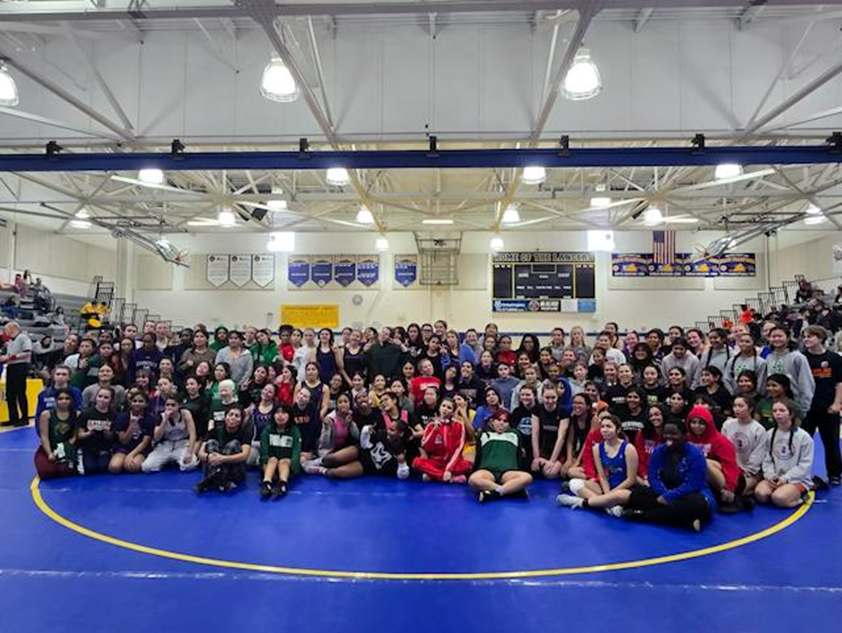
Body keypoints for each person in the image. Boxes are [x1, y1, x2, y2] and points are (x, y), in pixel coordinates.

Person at [623, 419, 715, 531]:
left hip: (693, 494)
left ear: (684, 436)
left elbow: (693, 484)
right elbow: (653, 477)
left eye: (674, 434)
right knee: (638, 494)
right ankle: (686, 521)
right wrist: (664, 494)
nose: (669, 437)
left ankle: (642, 515)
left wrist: (669, 497)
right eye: (666, 433)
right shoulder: (659, 451)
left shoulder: (695, 454)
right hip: (666, 490)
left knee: (697, 505)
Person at [557, 414, 639, 517]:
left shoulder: (629, 449)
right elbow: (602, 476)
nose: (604, 430)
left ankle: (579, 502)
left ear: (618, 430)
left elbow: (631, 479)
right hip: (606, 487)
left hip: (624, 490)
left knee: (618, 496)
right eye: (602, 427)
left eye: (609, 427)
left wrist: (611, 494)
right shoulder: (597, 448)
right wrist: (608, 494)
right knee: (574, 483)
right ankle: (608, 506)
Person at [801, 325, 842, 486]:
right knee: (803, 442)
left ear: (820, 338)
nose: (806, 339)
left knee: (831, 442)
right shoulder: (801, 358)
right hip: (807, 408)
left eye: (810, 336)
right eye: (804, 336)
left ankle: (834, 473)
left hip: (827, 407)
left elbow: (840, 383)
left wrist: (837, 403)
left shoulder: (834, 359)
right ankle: (801, 474)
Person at [755, 399, 815, 508]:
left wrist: (785, 478)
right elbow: (766, 459)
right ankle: (781, 490)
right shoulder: (769, 434)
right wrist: (770, 475)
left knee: (779, 499)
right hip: (776, 477)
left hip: (796, 479)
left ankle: (802, 496)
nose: (778, 413)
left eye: (782, 410)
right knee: (761, 495)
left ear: (791, 414)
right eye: (775, 411)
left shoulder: (803, 437)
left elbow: (804, 465)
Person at [469, 409, 533, 502]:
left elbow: (518, 456)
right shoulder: (484, 434)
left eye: (505, 421)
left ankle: (495, 493)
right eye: (499, 420)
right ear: (492, 421)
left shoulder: (515, 435)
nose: (501, 423)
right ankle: (512, 491)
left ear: (509, 424)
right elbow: (478, 455)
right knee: (473, 479)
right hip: (487, 472)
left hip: (508, 473)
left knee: (527, 478)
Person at [685, 405, 742, 508]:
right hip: (701, 479)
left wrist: (730, 488)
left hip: (726, 479)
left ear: (708, 424)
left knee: (702, 461)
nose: (697, 426)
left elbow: (730, 465)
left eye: (701, 423)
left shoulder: (721, 441)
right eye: (693, 422)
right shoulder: (687, 439)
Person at [412, 398, 473, 483]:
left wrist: (449, 468)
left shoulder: (459, 426)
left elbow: (459, 449)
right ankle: (448, 478)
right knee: (416, 462)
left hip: (453, 462)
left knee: (468, 465)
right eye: (443, 406)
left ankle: (433, 475)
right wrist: (434, 431)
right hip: (436, 462)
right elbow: (426, 447)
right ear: (439, 408)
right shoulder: (431, 425)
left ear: (452, 411)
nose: (445, 409)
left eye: (449, 408)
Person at [196, 405, 252, 493]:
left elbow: (245, 455)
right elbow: (200, 453)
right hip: (214, 464)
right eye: (231, 414)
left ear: (241, 420)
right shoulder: (214, 431)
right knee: (211, 443)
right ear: (225, 417)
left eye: (237, 416)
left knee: (233, 444)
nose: (233, 418)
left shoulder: (244, 433)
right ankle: (221, 479)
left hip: (234, 469)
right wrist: (209, 456)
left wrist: (222, 459)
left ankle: (213, 480)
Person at [722, 395, 766, 497]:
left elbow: (758, 456)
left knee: (737, 489)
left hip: (749, 473)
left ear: (750, 409)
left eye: (741, 406)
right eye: (735, 406)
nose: (737, 409)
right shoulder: (727, 425)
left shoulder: (758, 430)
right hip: (730, 468)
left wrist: (746, 471)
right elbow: (723, 449)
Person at [142, 395, 199, 473]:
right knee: (146, 467)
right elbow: (156, 437)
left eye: (173, 405)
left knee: (190, 465)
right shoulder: (160, 416)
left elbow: (193, 434)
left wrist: (190, 452)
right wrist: (165, 420)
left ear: (179, 406)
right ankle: (167, 460)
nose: (170, 407)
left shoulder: (185, 413)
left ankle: (175, 460)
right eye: (167, 405)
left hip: (182, 444)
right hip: (166, 444)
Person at [764, 326, 815, 414]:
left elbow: (806, 382)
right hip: (774, 405)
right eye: (773, 336)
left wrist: (804, 407)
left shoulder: (798, 357)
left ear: (787, 338)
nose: (776, 339)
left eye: (780, 336)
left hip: (794, 404)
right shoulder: (769, 358)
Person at [34, 389, 78, 479]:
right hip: (49, 447)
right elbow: (44, 436)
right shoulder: (46, 415)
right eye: (60, 398)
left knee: (65, 471)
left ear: (72, 400)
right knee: (46, 472)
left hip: (67, 447)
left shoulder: (77, 414)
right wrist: (49, 453)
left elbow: (75, 437)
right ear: (55, 400)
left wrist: (65, 448)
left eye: (67, 398)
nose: (64, 401)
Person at [259, 405, 301, 499]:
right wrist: (264, 465)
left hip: (287, 465)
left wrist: (294, 468)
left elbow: (296, 451)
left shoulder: (294, 431)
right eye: (277, 413)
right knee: (272, 459)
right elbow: (264, 451)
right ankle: (267, 483)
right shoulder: (268, 430)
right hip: (270, 465)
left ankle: (283, 484)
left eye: (283, 413)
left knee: (283, 461)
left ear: (289, 416)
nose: (280, 416)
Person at [109, 391, 153, 474]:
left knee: (133, 467)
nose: (137, 404)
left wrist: (131, 455)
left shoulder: (150, 419)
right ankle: (121, 460)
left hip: (140, 449)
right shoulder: (122, 417)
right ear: (130, 403)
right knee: (114, 467)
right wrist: (132, 425)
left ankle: (130, 461)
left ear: (146, 404)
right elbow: (123, 441)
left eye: (141, 401)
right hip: (124, 447)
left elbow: (145, 442)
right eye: (135, 401)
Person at [75, 387, 117, 475]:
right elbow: (79, 435)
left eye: (106, 397)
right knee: (90, 468)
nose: (102, 399)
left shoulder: (114, 415)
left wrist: (107, 433)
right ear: (96, 397)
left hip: (104, 448)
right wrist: (88, 433)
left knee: (103, 467)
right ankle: (81, 456)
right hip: (89, 448)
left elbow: (113, 437)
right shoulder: (86, 414)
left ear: (111, 400)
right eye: (100, 396)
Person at [530, 388, 569, 479]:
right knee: (535, 469)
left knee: (550, 473)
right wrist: (536, 457)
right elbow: (535, 434)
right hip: (543, 447)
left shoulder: (563, 411)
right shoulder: (536, 409)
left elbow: (561, 438)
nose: (550, 401)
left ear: (557, 397)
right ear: (542, 397)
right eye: (547, 398)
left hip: (558, 450)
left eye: (553, 397)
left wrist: (552, 460)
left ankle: (560, 466)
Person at [34, 365, 82, 437]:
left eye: (64, 374)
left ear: (69, 377)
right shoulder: (44, 394)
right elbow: (39, 414)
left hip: (70, 430)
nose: (60, 376)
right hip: (49, 430)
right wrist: (40, 432)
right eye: (58, 374)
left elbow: (78, 411)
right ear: (53, 376)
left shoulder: (75, 392)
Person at [1, 322, 32, 427]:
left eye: (6, 330)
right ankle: (13, 418)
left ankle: (24, 417)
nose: (5, 332)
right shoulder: (10, 341)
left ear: (12, 328)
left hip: (20, 366)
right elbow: (10, 354)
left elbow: (27, 353)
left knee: (20, 392)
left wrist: (9, 357)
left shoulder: (23, 337)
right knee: (10, 394)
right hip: (11, 367)